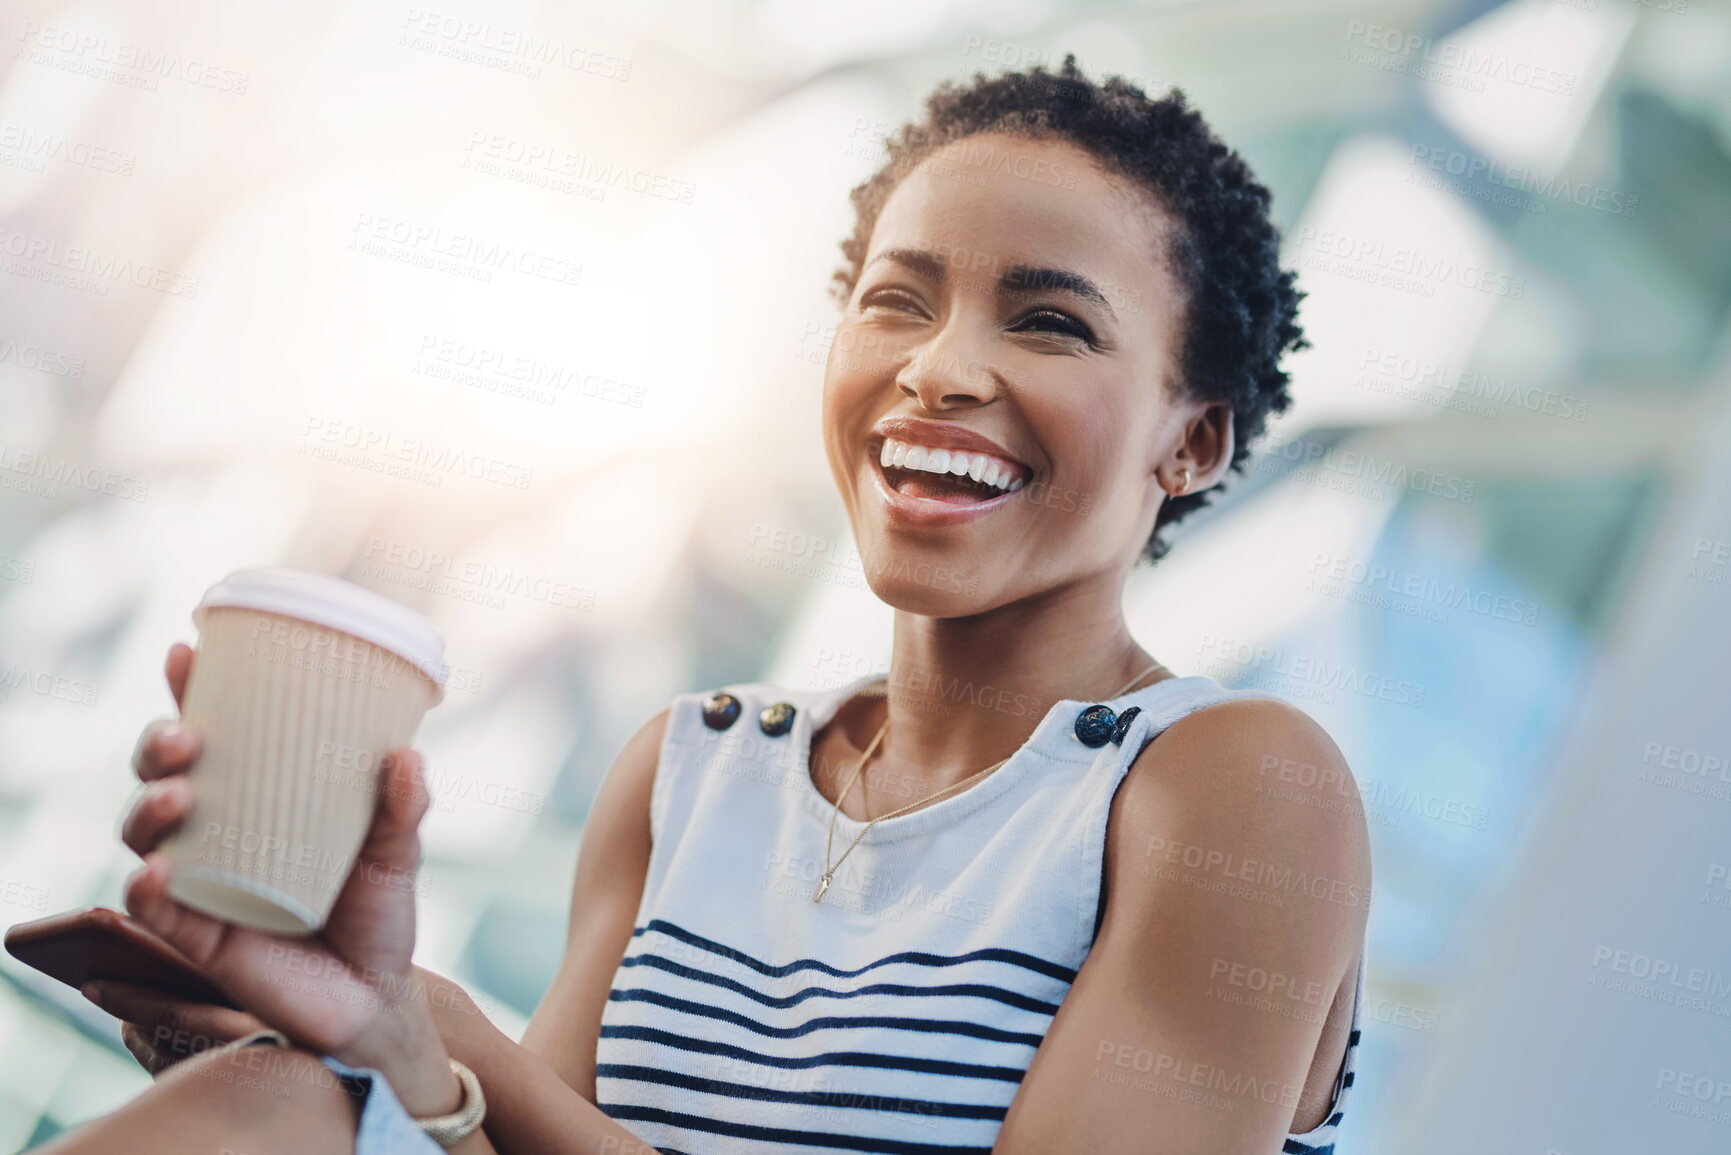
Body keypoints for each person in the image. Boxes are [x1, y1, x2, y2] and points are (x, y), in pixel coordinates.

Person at [46, 57, 1370, 1155]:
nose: (938, 366)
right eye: (896, 301)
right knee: (266, 1099)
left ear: (1191, 443)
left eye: (1051, 324)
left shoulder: (1234, 787)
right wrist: (366, 1035)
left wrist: (446, 1037)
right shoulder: (697, 764)